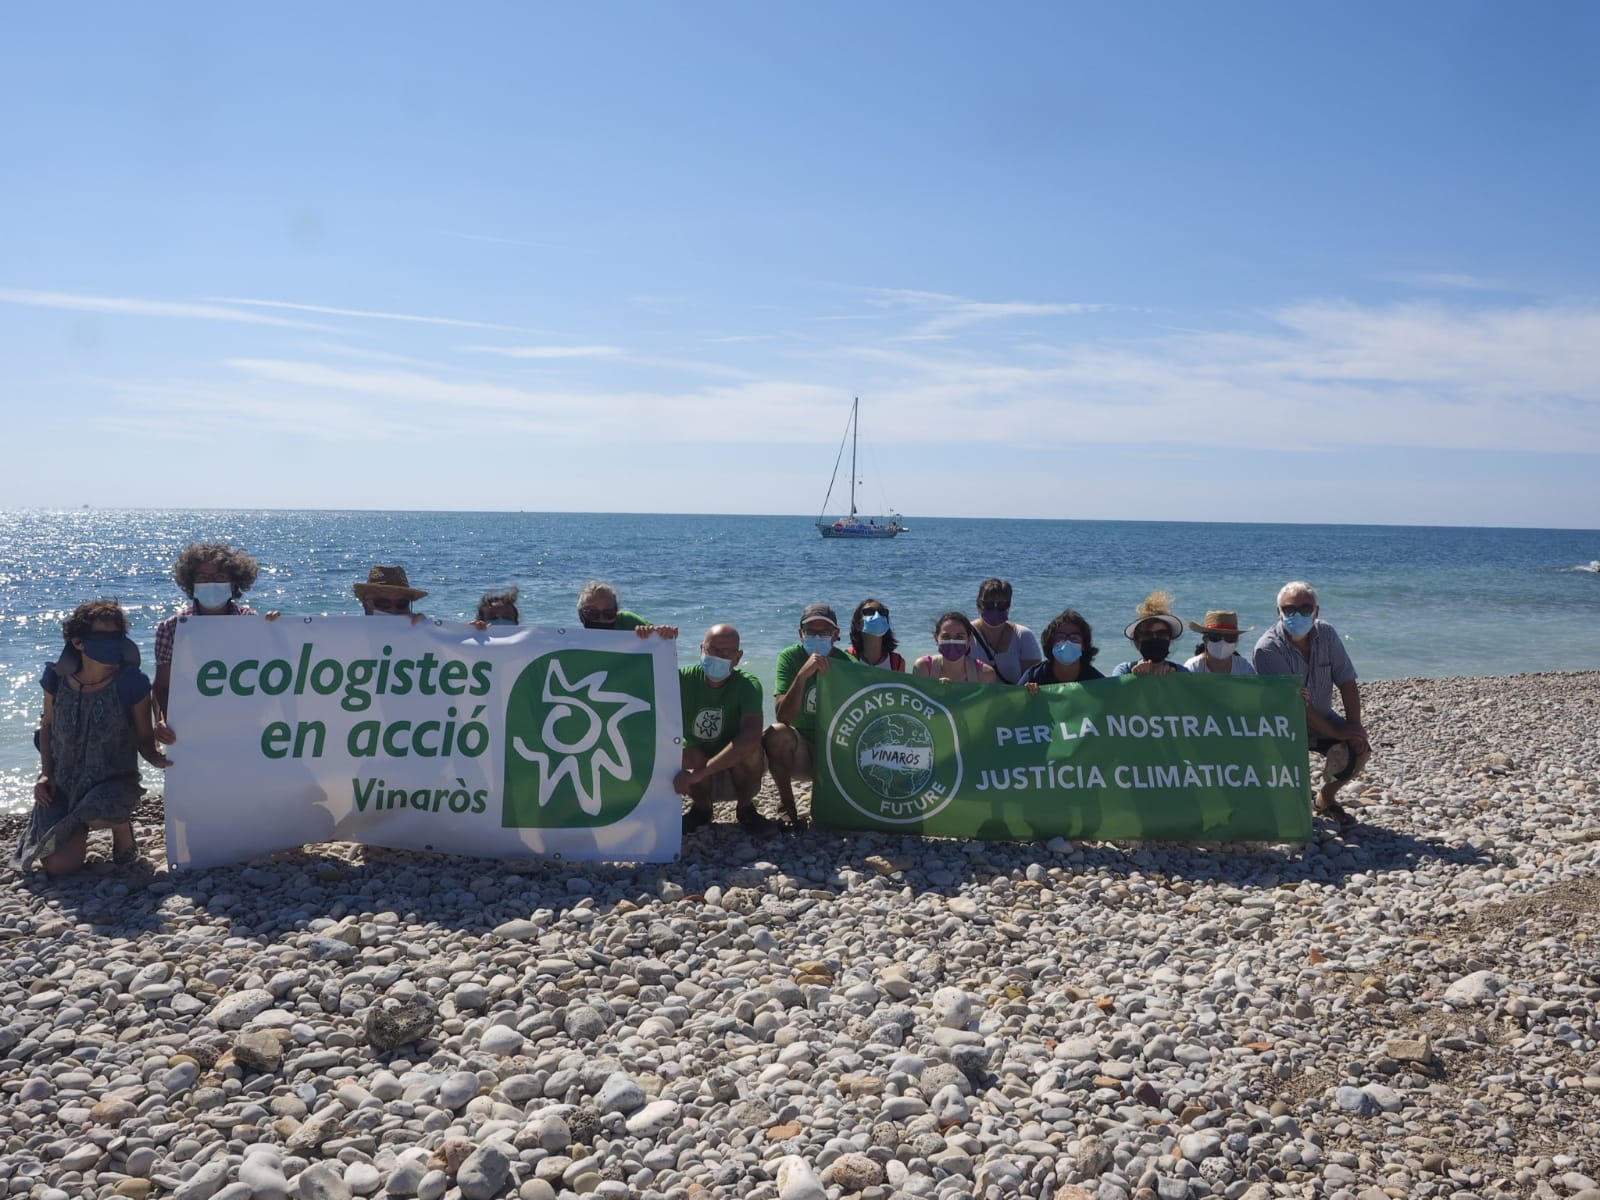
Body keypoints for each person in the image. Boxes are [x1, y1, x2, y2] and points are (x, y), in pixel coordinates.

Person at [15, 601, 170, 874]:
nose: (111, 643)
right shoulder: (55, 677)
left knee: (102, 806)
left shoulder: (132, 682)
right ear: (78, 642)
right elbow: (47, 727)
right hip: (64, 783)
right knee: (59, 867)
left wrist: (159, 758)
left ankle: (121, 828)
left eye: (116, 636)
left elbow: (145, 739)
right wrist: (45, 775)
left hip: (112, 782)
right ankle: (76, 822)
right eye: (102, 637)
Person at [1253, 581, 1371, 826]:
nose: (1297, 614)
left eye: (1306, 609)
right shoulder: (1267, 649)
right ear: (1279, 612)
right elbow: (1296, 705)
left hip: (1323, 718)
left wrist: (1354, 727)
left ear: (1317, 611)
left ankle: (1326, 797)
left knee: (1360, 751)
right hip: (1282, 726)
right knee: (1289, 797)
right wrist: (1338, 732)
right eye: (1289, 609)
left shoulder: (1327, 634)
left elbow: (1347, 682)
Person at [152, 541, 276, 743]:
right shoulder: (171, 628)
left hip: (245, 726)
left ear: (234, 583)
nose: (211, 582)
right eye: (203, 577)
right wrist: (165, 721)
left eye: (220, 577)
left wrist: (278, 628)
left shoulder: (251, 622)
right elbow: (162, 686)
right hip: (192, 730)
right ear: (191, 583)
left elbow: (272, 671)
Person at [676, 624, 774, 833]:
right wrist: (650, 638)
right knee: (686, 754)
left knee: (752, 750)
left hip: (735, 770)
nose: (719, 656)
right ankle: (701, 809)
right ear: (701, 649)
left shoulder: (748, 685)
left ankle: (745, 808)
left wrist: (701, 772)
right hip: (698, 770)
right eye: (713, 650)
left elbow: (750, 737)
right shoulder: (681, 680)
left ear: (738, 658)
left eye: (727, 652)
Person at [762, 602, 851, 826]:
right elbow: (783, 716)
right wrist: (802, 676)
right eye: (812, 632)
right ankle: (786, 805)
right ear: (801, 634)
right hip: (800, 750)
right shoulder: (789, 657)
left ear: (836, 634)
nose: (818, 636)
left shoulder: (847, 663)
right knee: (777, 733)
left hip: (833, 750)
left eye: (825, 632)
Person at [970, 578, 1042, 684]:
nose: (995, 610)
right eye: (989, 604)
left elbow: (1035, 679)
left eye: (1002, 605)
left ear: (1009, 606)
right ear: (979, 604)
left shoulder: (1023, 636)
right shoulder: (965, 634)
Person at [1019, 608, 1105, 690]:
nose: (1067, 641)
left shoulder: (1096, 681)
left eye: (1074, 638)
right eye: (1060, 636)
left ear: (1084, 646)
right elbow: (1012, 702)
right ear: (1051, 643)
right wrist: (1025, 694)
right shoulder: (1034, 677)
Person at [1110, 591, 1190, 676]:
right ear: (1137, 640)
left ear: (1169, 638)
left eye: (1161, 633)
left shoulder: (1181, 672)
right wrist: (1133, 678)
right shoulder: (1124, 671)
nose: (1155, 638)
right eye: (1147, 634)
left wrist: (1174, 678)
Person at [913, 612, 1000, 684]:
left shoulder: (985, 674)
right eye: (946, 637)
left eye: (959, 637)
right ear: (936, 639)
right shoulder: (924, 668)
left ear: (969, 640)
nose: (952, 641)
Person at [576, 582, 678, 639]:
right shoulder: (574, 643)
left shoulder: (628, 622)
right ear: (581, 615)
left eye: (608, 613)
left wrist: (665, 634)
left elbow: (659, 644)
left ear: (616, 611)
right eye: (592, 614)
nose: (601, 619)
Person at [1183, 610, 1258, 675]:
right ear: (1205, 640)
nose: (1222, 642)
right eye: (1215, 637)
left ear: (1236, 641)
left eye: (1229, 638)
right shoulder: (1192, 668)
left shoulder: (1244, 668)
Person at [846, 598, 905, 671]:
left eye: (882, 612)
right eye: (869, 612)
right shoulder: (847, 658)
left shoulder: (897, 662)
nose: (877, 616)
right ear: (858, 624)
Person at [354, 566, 429, 623]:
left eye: (402, 604)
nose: (393, 611)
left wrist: (425, 632)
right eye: (383, 603)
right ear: (366, 605)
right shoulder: (350, 638)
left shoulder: (418, 636)